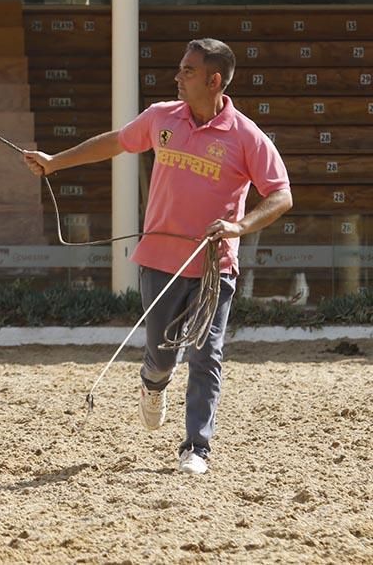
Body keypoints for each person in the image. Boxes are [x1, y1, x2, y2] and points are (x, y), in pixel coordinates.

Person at [23, 38, 293, 474]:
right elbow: (115, 142)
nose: (177, 77)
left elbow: (281, 195)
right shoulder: (161, 117)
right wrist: (55, 162)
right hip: (159, 260)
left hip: (213, 267)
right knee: (162, 353)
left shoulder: (246, 136)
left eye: (187, 70)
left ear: (214, 80)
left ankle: (196, 448)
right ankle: (153, 381)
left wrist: (238, 227)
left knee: (207, 353)